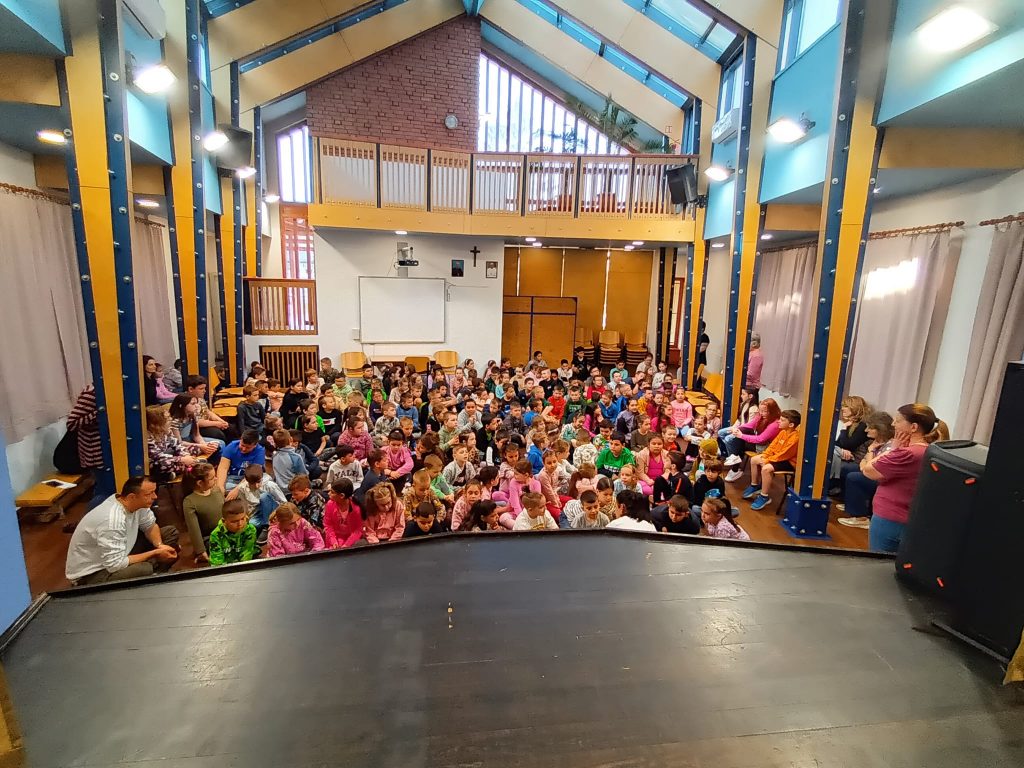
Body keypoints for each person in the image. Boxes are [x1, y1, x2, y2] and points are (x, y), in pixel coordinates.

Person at [853, 404, 947, 553]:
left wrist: (894, 449)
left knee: (879, 563)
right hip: (906, 518)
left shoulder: (907, 454)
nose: (893, 424)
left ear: (913, 427)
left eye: (897, 421)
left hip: (890, 520)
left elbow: (868, 470)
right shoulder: (927, 451)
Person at [65, 476, 179, 585]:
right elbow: (115, 564)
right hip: (94, 573)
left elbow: (150, 525)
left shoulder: (138, 504)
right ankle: (153, 573)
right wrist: (155, 553)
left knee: (170, 532)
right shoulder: (112, 520)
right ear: (132, 497)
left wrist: (160, 546)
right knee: (145, 569)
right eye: (149, 494)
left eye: (154, 492)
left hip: (121, 552)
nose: (155, 497)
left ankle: (152, 570)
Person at [837, 411, 895, 529]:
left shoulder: (889, 446)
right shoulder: (875, 442)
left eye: (870, 427)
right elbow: (864, 461)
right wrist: (866, 464)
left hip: (882, 478)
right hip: (871, 470)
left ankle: (860, 517)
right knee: (847, 469)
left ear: (880, 429)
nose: (866, 430)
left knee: (854, 477)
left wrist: (870, 452)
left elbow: (871, 466)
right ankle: (849, 503)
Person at [744, 410, 801, 510]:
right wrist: (765, 455)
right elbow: (772, 446)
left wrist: (768, 460)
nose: (779, 421)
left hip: (789, 461)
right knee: (754, 459)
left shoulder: (795, 437)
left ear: (791, 424)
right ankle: (754, 485)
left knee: (766, 469)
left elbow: (785, 454)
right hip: (776, 457)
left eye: (782, 420)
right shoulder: (782, 432)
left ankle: (764, 496)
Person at [720, 398, 782, 483]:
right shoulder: (761, 416)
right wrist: (736, 429)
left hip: (765, 447)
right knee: (727, 435)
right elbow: (749, 425)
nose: (761, 413)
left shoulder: (775, 424)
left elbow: (760, 439)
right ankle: (734, 458)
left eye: (765, 411)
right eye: (760, 410)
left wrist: (741, 435)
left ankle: (735, 465)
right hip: (758, 442)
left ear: (772, 411)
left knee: (733, 440)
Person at [828, 396, 872, 497]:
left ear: (854, 408)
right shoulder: (851, 424)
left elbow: (848, 444)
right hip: (848, 455)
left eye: (845, 406)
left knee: (836, 463)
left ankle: (833, 488)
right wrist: (842, 449)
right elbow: (838, 443)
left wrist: (844, 429)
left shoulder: (862, 426)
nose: (842, 409)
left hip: (857, 459)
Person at [227, 463, 287, 536]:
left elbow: (284, 503)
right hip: (258, 513)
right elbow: (245, 507)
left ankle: (267, 526)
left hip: (273, 511)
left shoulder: (270, 485)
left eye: (258, 482)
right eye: (253, 483)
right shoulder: (242, 488)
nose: (256, 486)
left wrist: (274, 514)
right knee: (252, 524)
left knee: (263, 496)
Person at [182, 462, 224, 565]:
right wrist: (200, 551)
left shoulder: (216, 490)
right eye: (212, 478)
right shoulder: (190, 501)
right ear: (200, 483)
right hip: (210, 537)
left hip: (226, 530)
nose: (216, 479)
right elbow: (193, 529)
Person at [207, 500, 258, 566]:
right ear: (224, 521)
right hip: (225, 568)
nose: (240, 524)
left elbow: (246, 557)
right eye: (234, 521)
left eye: (243, 519)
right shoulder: (215, 535)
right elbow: (217, 564)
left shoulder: (250, 530)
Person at [185, 375, 231, 443]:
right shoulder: (187, 402)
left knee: (230, 428)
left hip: (207, 423)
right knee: (218, 434)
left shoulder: (200, 398)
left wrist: (221, 421)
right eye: (201, 389)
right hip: (196, 428)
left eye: (204, 388)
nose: (204, 391)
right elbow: (197, 422)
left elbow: (208, 412)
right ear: (191, 389)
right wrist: (216, 424)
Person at [322, 478, 364, 549]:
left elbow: (357, 531)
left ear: (342, 496)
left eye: (332, 492)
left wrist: (346, 545)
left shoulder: (356, 509)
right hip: (333, 540)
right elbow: (328, 525)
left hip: (350, 543)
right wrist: (333, 541)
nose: (328, 493)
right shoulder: (330, 504)